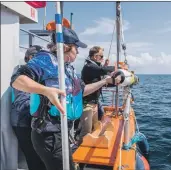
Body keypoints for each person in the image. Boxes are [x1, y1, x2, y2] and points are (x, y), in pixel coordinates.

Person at [10, 27, 121, 170]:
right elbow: (17, 80)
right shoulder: (46, 60)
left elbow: (81, 91)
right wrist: (45, 90)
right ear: (66, 48)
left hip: (62, 132)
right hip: (49, 135)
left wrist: (105, 81)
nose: (78, 51)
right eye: (76, 47)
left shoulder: (68, 68)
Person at [11, 45, 46, 170]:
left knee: (40, 160)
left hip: (32, 122)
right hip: (23, 123)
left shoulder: (36, 74)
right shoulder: (23, 75)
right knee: (34, 161)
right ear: (31, 58)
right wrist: (46, 103)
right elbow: (22, 103)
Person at [76, 46, 115, 145]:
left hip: (93, 103)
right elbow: (102, 70)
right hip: (86, 103)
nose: (102, 58)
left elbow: (101, 77)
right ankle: (77, 151)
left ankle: (88, 146)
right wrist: (118, 68)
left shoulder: (94, 67)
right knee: (86, 130)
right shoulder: (89, 66)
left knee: (94, 126)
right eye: (101, 56)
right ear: (94, 56)